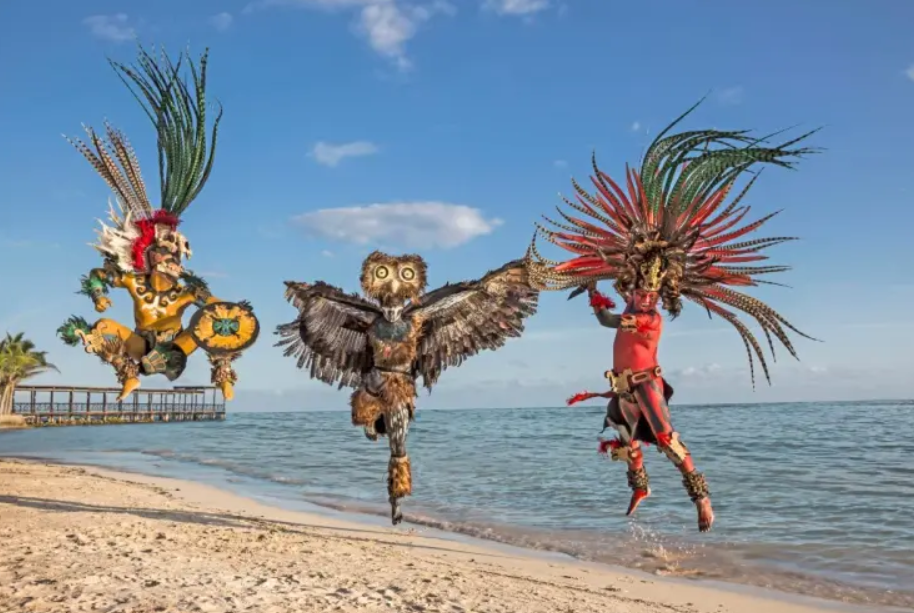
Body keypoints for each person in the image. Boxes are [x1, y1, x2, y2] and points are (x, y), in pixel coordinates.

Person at [526, 100, 820, 532]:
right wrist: (592, 290)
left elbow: (612, 323)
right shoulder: (631, 306)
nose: (645, 296)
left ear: (659, 294)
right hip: (623, 386)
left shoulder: (650, 320)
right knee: (624, 436)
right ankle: (640, 488)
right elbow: (609, 319)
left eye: (651, 292)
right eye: (639, 290)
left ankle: (702, 499)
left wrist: (595, 296)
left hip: (647, 385)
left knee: (665, 438)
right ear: (630, 288)